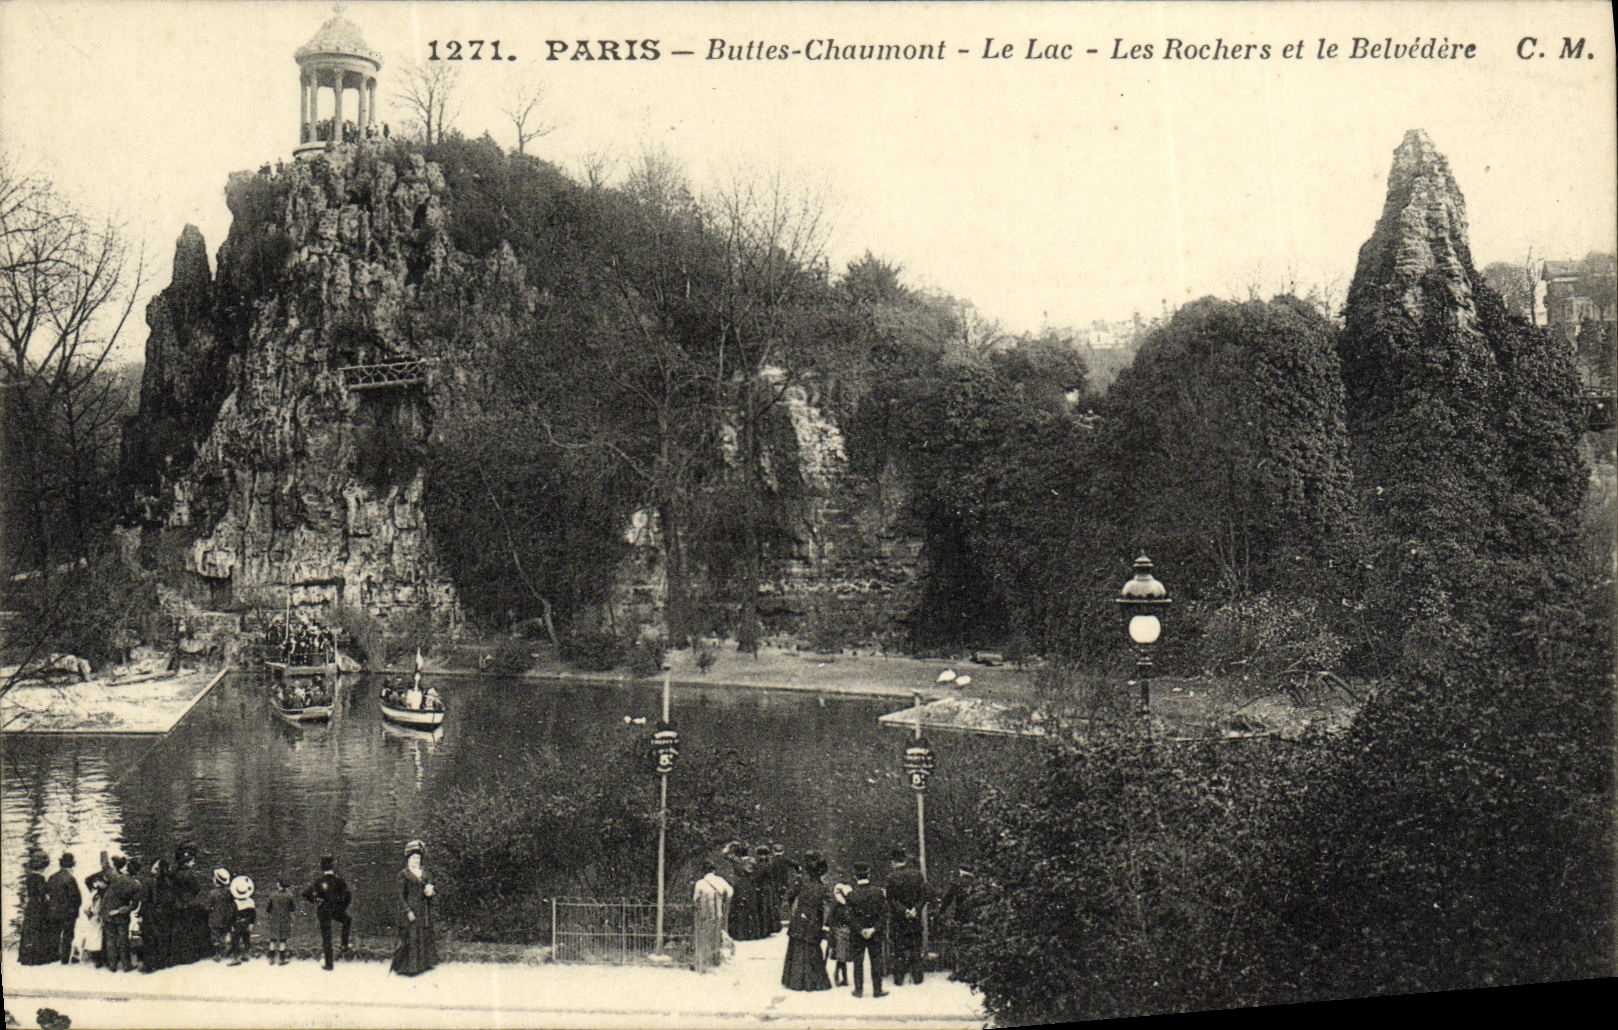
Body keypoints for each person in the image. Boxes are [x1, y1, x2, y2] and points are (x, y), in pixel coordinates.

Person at [781, 852, 832, 992]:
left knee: (797, 948)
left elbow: (789, 897)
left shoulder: (801, 883)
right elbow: (831, 905)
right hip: (814, 921)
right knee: (812, 950)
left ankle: (795, 981)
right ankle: (813, 982)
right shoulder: (822, 887)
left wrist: (795, 913)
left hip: (800, 920)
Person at [884, 847, 932, 987]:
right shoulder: (918, 875)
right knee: (915, 948)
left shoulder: (891, 877)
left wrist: (903, 910)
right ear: (905, 860)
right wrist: (915, 909)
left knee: (899, 950)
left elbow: (891, 899)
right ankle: (917, 977)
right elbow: (924, 895)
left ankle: (899, 979)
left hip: (899, 920)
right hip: (914, 919)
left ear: (893, 862)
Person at [391, 839, 438, 976]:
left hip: (423, 909)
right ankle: (409, 968)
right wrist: (407, 911)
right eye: (413, 858)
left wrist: (431, 892)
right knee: (411, 937)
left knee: (423, 935)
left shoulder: (425, 873)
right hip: (411, 908)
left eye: (418, 858)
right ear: (408, 859)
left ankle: (423, 965)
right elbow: (400, 896)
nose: (416, 861)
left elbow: (431, 887)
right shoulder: (403, 874)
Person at [845, 862, 888, 998]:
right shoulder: (878, 892)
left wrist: (861, 929)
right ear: (868, 874)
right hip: (875, 933)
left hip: (858, 934)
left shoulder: (851, 895)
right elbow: (884, 914)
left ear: (855, 876)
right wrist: (874, 928)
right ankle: (877, 990)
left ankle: (858, 990)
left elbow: (849, 916)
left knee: (858, 962)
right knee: (876, 961)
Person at [303, 856, 353, 970]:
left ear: (322, 868)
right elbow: (348, 896)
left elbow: (305, 894)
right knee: (347, 921)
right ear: (332, 867)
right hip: (336, 909)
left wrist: (317, 900)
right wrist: (342, 907)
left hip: (323, 910)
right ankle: (344, 944)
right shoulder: (339, 881)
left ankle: (329, 963)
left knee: (326, 937)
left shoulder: (319, 881)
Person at [170, 844, 214, 966]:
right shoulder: (190, 874)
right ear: (186, 862)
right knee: (194, 927)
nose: (194, 863)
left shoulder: (173, 873)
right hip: (189, 904)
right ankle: (197, 953)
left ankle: (179, 956)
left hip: (176, 904)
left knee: (180, 930)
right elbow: (197, 888)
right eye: (191, 860)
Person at [101, 853, 142, 972]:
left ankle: (112, 965)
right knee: (124, 940)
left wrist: (103, 852)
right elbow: (134, 905)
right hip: (122, 916)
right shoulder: (136, 885)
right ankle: (126, 965)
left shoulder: (115, 877)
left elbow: (105, 866)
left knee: (111, 940)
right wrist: (122, 910)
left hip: (108, 912)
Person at [691, 859, 733, 973]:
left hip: (704, 914)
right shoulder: (720, 880)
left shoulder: (700, 883)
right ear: (713, 870)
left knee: (704, 936)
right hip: (718, 913)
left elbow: (695, 898)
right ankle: (715, 958)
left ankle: (704, 960)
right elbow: (730, 892)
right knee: (716, 935)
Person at [139, 857, 177, 972]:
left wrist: (142, 914)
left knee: (150, 938)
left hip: (152, 913)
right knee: (165, 937)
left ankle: (150, 965)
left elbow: (145, 899)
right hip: (166, 913)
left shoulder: (149, 882)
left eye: (156, 868)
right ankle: (164, 962)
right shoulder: (169, 882)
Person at [44, 852, 82, 965]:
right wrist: (75, 910)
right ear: (72, 864)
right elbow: (76, 897)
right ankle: (65, 959)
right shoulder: (70, 878)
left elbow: (47, 892)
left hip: (53, 910)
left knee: (54, 933)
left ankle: (53, 956)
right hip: (68, 912)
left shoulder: (52, 877)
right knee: (67, 935)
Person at [19, 851, 54, 964]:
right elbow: (43, 892)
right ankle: (37, 957)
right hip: (39, 906)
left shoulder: (30, 877)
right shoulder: (39, 878)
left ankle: (27, 955)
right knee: (39, 929)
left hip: (31, 905)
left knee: (30, 929)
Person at [76, 860, 109, 967]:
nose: (96, 884)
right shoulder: (98, 893)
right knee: (96, 938)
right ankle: (99, 959)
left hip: (97, 917)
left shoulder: (98, 893)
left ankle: (98, 959)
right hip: (97, 917)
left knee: (96, 938)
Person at [727, 849, 764, 941]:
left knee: (742, 912)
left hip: (743, 888)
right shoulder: (750, 862)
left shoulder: (741, 864)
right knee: (751, 911)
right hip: (748, 888)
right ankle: (754, 933)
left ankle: (742, 934)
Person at [264, 879, 296, 965]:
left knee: (273, 939)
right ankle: (282, 959)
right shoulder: (289, 896)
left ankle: (271, 958)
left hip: (274, 919)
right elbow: (292, 908)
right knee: (283, 939)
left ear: (278, 885)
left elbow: (268, 908)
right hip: (285, 919)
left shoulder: (272, 895)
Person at [227, 875, 256, 965]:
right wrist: (251, 924)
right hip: (247, 923)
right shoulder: (250, 901)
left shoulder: (235, 903)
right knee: (246, 938)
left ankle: (236, 957)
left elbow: (232, 915)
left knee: (235, 940)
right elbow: (253, 914)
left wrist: (231, 925)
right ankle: (246, 954)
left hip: (237, 923)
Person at [828, 881, 853, 987]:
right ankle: (840, 976)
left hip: (842, 931)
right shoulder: (840, 906)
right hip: (841, 931)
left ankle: (840, 975)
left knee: (842, 956)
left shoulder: (840, 906)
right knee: (841, 956)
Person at [207, 868, 235, 961]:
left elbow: (209, 905)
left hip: (216, 917)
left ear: (215, 880)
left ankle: (217, 953)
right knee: (227, 932)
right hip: (227, 915)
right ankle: (228, 949)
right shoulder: (229, 891)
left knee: (215, 934)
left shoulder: (212, 893)